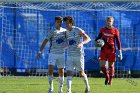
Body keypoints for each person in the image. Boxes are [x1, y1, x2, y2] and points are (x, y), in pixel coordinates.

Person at [37, 16, 66, 93]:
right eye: (58, 22)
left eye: (61, 21)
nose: (60, 23)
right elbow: (45, 41)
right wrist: (40, 52)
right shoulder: (52, 31)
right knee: (50, 71)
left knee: (61, 72)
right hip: (52, 54)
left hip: (61, 54)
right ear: (55, 22)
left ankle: (60, 89)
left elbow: (69, 40)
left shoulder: (65, 31)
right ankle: (51, 87)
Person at [63, 16, 91, 93]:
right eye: (65, 23)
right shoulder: (66, 32)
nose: (66, 25)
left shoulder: (78, 30)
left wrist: (82, 43)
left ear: (71, 23)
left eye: (67, 23)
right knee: (69, 72)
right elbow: (67, 43)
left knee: (81, 73)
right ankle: (69, 91)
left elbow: (88, 38)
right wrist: (63, 47)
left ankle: (87, 86)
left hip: (79, 55)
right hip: (69, 55)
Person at [95, 16, 123, 85]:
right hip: (103, 50)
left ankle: (110, 80)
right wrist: (97, 42)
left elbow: (118, 41)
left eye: (110, 21)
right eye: (107, 21)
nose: (108, 22)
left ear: (112, 22)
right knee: (101, 65)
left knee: (111, 66)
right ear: (106, 22)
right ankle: (107, 75)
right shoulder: (102, 29)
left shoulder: (115, 30)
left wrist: (120, 52)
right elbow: (98, 38)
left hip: (112, 50)